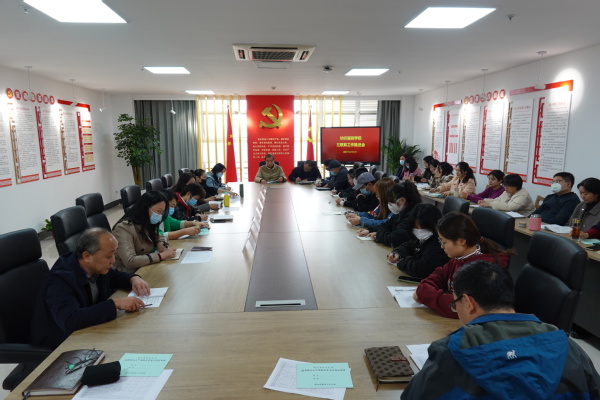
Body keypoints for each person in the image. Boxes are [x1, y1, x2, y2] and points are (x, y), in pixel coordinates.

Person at [402, 261, 600, 400]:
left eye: (455, 304)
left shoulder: (451, 351)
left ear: (469, 303)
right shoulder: (568, 347)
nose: (456, 309)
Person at [30, 228, 151, 349]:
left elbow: (114, 276)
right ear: (87, 256)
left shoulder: (94, 266)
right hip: (60, 344)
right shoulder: (59, 280)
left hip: (88, 332)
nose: (113, 261)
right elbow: (70, 320)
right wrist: (115, 304)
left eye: (114, 254)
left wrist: (133, 279)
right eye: (109, 256)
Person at [414, 212, 510, 319]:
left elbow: (463, 308)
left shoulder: (482, 271)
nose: (442, 246)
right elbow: (438, 275)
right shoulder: (458, 259)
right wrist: (424, 290)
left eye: (444, 242)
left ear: (461, 241)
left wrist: (426, 295)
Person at [112, 191, 176, 272]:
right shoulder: (123, 228)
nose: (160, 216)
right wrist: (160, 256)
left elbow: (160, 236)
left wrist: (161, 243)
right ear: (145, 208)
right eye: (159, 211)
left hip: (144, 267)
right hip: (128, 273)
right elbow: (130, 261)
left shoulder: (146, 223)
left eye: (162, 213)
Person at [387, 204, 450, 279]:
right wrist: (397, 253)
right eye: (416, 227)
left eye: (423, 227)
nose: (419, 230)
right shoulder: (422, 239)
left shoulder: (438, 244)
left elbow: (421, 269)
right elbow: (409, 245)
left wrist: (402, 261)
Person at [358, 181, 422, 247]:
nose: (389, 205)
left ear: (402, 201)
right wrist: (369, 230)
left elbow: (395, 239)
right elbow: (387, 224)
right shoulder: (400, 212)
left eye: (391, 202)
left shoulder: (412, 216)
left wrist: (378, 234)